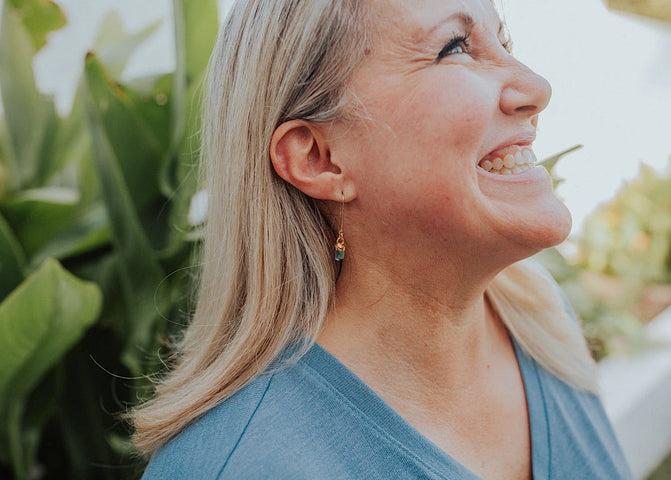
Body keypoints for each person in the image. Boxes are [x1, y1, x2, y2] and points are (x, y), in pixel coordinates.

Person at [134, 0, 633, 478]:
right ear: (319, 159)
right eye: (455, 47)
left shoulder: (543, 322)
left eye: (501, 40)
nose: (535, 87)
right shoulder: (234, 467)